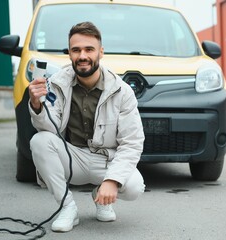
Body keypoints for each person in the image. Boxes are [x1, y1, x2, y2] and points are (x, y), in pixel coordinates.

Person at [28, 22, 145, 232]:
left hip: (105, 160)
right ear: (70, 54)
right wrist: (36, 104)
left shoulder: (122, 91)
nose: (82, 56)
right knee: (40, 141)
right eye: (76, 50)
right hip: (73, 157)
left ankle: (101, 198)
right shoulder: (56, 83)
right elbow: (48, 128)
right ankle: (67, 208)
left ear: (100, 52)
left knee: (134, 186)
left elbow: (132, 142)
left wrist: (112, 180)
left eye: (89, 49)